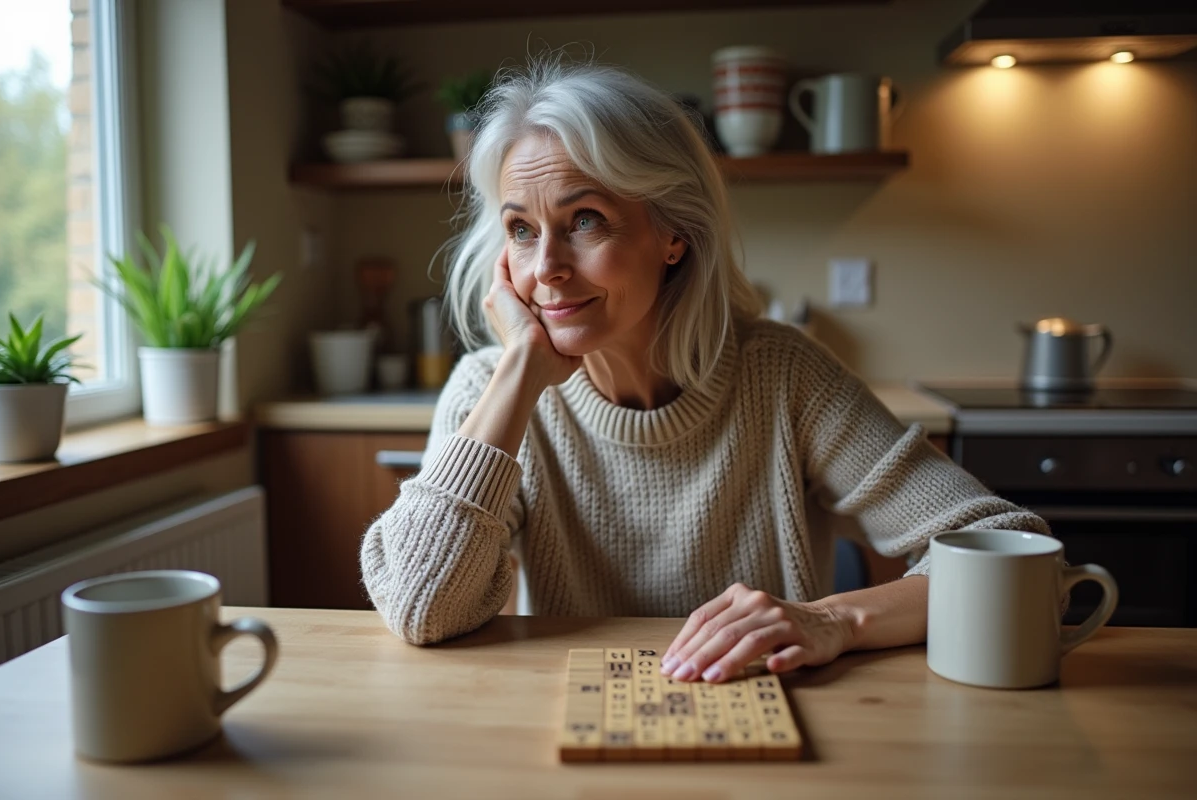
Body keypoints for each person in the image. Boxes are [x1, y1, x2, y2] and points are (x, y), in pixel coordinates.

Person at [360, 57, 1050, 684]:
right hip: (577, 733)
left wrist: (834, 620)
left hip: (766, 727)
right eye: (521, 230)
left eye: (587, 220)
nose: (546, 270)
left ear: (673, 235)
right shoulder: (492, 389)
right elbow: (421, 607)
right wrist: (518, 374)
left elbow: (1018, 552)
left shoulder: (781, 376)